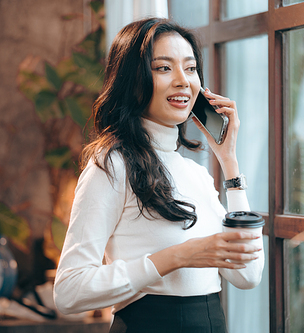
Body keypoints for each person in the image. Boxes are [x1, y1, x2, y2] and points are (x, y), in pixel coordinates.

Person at [53, 17, 264, 333]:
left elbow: (247, 276)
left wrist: (229, 162)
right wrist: (178, 256)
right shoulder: (111, 164)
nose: (183, 81)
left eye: (190, 69)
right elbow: (68, 292)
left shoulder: (196, 173)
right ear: (134, 80)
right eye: (164, 68)